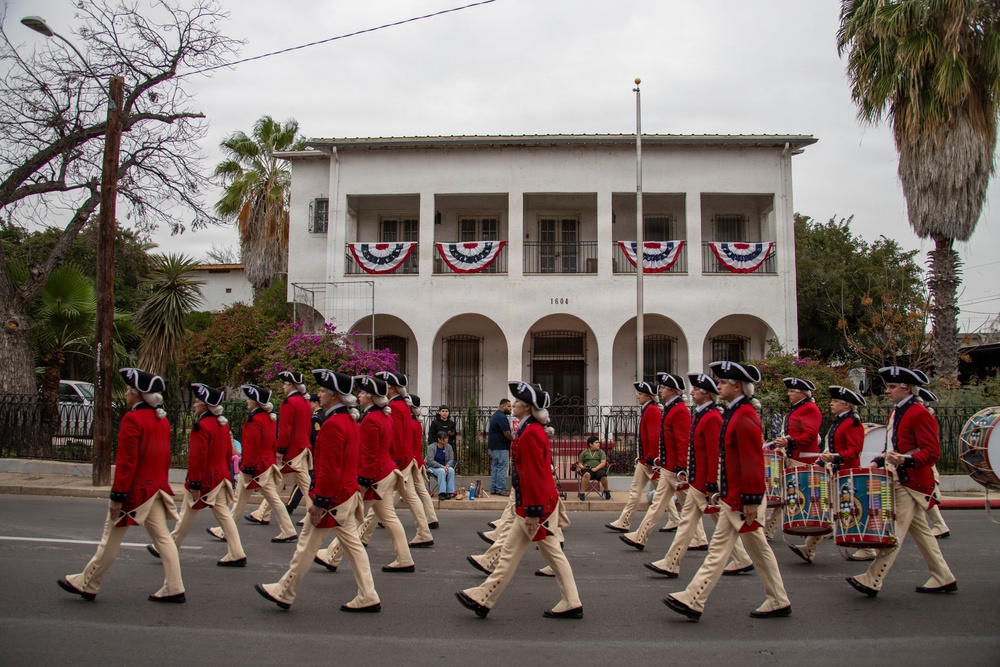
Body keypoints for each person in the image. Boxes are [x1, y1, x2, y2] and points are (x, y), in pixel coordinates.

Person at [663, 360, 791, 622]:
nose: (717, 386)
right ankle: (778, 599)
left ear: (737, 385)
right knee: (758, 551)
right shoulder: (735, 412)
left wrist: (752, 500)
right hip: (735, 495)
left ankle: (694, 598)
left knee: (719, 551)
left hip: (743, 498)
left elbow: (752, 461)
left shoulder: (743, 415)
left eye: (722, 382)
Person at [255, 369, 381, 612]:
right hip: (345, 494)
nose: (319, 395)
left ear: (334, 395)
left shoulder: (333, 424)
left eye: (323, 391)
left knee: (306, 546)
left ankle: (285, 590)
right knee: (353, 547)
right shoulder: (348, 420)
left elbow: (329, 468)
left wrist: (320, 501)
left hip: (332, 498)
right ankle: (368, 594)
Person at [57, 368, 185, 603]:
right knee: (164, 539)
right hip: (155, 487)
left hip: (134, 492)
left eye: (128, 390)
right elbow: (164, 458)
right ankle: (174, 586)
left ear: (137, 394)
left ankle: (88, 583)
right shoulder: (161, 420)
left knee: (110, 539)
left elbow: (127, 462)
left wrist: (118, 495)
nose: (126, 393)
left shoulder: (133, 419)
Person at [457, 381, 582, 619]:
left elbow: (535, 475)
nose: (512, 404)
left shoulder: (531, 433)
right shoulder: (530, 430)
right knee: (528, 555)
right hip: (534, 505)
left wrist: (533, 512)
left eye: (516, 401)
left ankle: (484, 596)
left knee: (530, 555)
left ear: (526, 407)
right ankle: (484, 596)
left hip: (536, 507)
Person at [846, 366, 957, 599]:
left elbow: (932, 452)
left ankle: (873, 578)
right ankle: (942, 576)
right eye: (888, 386)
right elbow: (896, 446)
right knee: (922, 532)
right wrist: (880, 459)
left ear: (907, 388)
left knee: (893, 532)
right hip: (901, 477)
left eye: (892, 386)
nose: (888, 391)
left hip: (911, 480)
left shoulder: (918, 412)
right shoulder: (899, 411)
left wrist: (905, 460)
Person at [645, 372, 754, 578]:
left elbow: (713, 454)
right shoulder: (702, 414)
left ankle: (740, 559)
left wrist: (711, 483)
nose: (691, 392)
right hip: (698, 480)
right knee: (687, 522)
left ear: (706, 394)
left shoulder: (712, 416)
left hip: (704, 482)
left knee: (716, 521)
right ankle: (672, 562)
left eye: (696, 389)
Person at [313, 375, 415, 573]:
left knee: (349, 517)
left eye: (361, 393)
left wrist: (363, 482)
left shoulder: (370, 420)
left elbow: (369, 456)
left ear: (370, 397)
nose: (358, 396)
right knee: (388, 517)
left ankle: (332, 556)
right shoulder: (382, 416)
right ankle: (404, 558)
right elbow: (391, 446)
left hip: (376, 476)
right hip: (386, 471)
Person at [147, 383, 246, 567]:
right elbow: (227, 453)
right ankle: (236, 552)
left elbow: (197, 457)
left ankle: (169, 546)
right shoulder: (221, 424)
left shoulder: (201, 425)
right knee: (223, 515)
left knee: (187, 513)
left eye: (198, 401)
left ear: (206, 405)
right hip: (220, 476)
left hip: (205, 479)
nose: (194, 404)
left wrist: (194, 482)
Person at [621, 373, 707, 550]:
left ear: (672, 390)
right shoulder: (671, 408)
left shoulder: (679, 410)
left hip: (675, 469)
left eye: (663, 388)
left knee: (692, 507)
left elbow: (682, 442)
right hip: (669, 467)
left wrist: (681, 467)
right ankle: (641, 536)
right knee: (663, 505)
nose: (659, 390)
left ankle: (700, 538)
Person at [208, 384, 298, 544]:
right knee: (267, 500)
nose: (247, 401)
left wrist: (248, 467)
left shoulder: (254, 420)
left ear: (256, 402)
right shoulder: (268, 418)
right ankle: (288, 530)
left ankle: (225, 531)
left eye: (250, 399)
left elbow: (251, 447)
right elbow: (271, 443)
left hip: (254, 467)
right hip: (266, 465)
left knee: (241, 500)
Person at [787, 385, 866, 564]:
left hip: (847, 474)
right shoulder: (840, 420)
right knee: (832, 511)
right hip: (837, 472)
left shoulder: (852, 422)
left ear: (846, 405)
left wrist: (835, 457)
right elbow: (833, 447)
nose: (831, 404)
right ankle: (809, 548)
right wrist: (821, 461)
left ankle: (867, 547)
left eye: (835, 401)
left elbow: (854, 451)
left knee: (843, 512)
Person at [376, 371, 434, 548]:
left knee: (376, 498)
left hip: (399, 460)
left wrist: (395, 461)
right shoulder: (402, 406)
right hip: (406, 459)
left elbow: (396, 438)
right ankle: (424, 531)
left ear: (392, 389)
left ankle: (359, 536)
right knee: (411, 496)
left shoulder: (394, 407)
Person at [249, 371, 313, 524]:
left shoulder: (289, 403)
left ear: (291, 385)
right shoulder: (305, 402)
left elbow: (285, 430)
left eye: (285, 383)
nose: (283, 386)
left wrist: (281, 450)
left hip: (292, 450)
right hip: (303, 446)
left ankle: (263, 513)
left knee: (294, 483)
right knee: (285, 481)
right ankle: (262, 513)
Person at [766, 377, 823, 539]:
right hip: (792, 455)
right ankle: (770, 527)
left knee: (802, 495)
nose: (789, 394)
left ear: (803, 393)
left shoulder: (810, 408)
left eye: (792, 391)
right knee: (785, 493)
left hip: (802, 458)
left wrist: (789, 441)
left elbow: (810, 435)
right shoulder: (799, 407)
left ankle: (825, 525)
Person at [605, 381, 661, 532]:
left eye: (641, 394)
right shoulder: (647, 409)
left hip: (649, 461)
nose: (638, 396)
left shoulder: (652, 411)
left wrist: (650, 457)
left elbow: (653, 437)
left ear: (649, 396)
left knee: (663, 492)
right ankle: (624, 521)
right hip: (645, 460)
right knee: (640, 491)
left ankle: (625, 521)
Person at [408, 395, 439, 529]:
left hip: (410, 462)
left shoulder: (409, 422)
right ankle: (431, 517)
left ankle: (380, 517)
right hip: (417, 460)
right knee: (421, 491)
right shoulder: (416, 422)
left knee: (391, 493)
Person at [488, 399, 515, 495]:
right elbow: (506, 433)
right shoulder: (502, 417)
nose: (510, 408)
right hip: (501, 446)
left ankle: (494, 488)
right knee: (502, 468)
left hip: (493, 446)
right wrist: (514, 440)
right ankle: (500, 489)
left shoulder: (495, 415)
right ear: (503, 406)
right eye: (509, 406)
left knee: (495, 467)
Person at [575, 435, 610, 500]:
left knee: (603, 476)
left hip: (599, 469)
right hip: (588, 469)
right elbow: (580, 463)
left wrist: (596, 468)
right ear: (590, 444)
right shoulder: (584, 452)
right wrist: (582, 467)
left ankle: (607, 491)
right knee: (586, 474)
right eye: (596, 443)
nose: (598, 444)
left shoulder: (601, 452)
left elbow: (603, 462)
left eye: (598, 442)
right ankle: (582, 493)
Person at [427, 430, 456, 499]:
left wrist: (447, 466)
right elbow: (430, 461)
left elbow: (451, 459)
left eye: (447, 438)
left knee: (451, 470)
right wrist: (441, 466)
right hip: (433, 467)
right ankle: (442, 493)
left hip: (445, 466)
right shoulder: (431, 447)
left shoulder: (449, 447)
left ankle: (450, 492)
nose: (446, 440)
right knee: (441, 471)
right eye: (444, 438)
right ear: (439, 439)